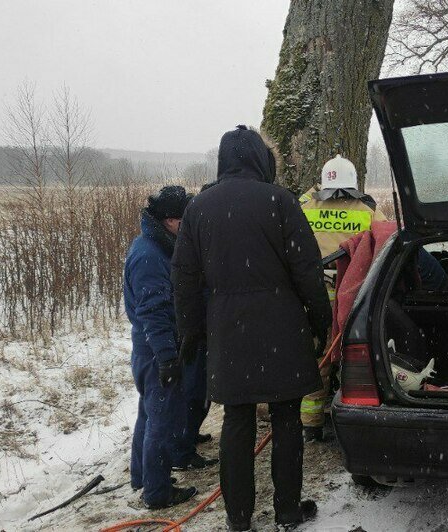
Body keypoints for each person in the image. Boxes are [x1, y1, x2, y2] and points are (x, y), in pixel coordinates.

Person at [172, 125, 330, 531]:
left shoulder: (199, 208)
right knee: (287, 420)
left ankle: (238, 520)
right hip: (283, 328)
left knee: (236, 423)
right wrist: (320, 321)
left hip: (228, 332)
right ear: (260, 158)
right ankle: (287, 511)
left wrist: (190, 333)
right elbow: (308, 270)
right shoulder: (280, 201)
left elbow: (184, 279)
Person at [124, 186, 213, 510]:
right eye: (185, 220)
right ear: (171, 220)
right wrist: (167, 358)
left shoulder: (157, 245)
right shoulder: (150, 256)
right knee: (162, 421)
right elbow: (154, 314)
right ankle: (158, 493)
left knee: (149, 413)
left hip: (151, 347)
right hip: (156, 348)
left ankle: (142, 477)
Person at [296, 154, 387, 443]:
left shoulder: (306, 207)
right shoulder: (366, 209)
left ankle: (311, 424)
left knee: (318, 361)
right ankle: (349, 419)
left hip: (314, 300)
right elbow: (386, 241)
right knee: (352, 360)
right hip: (353, 300)